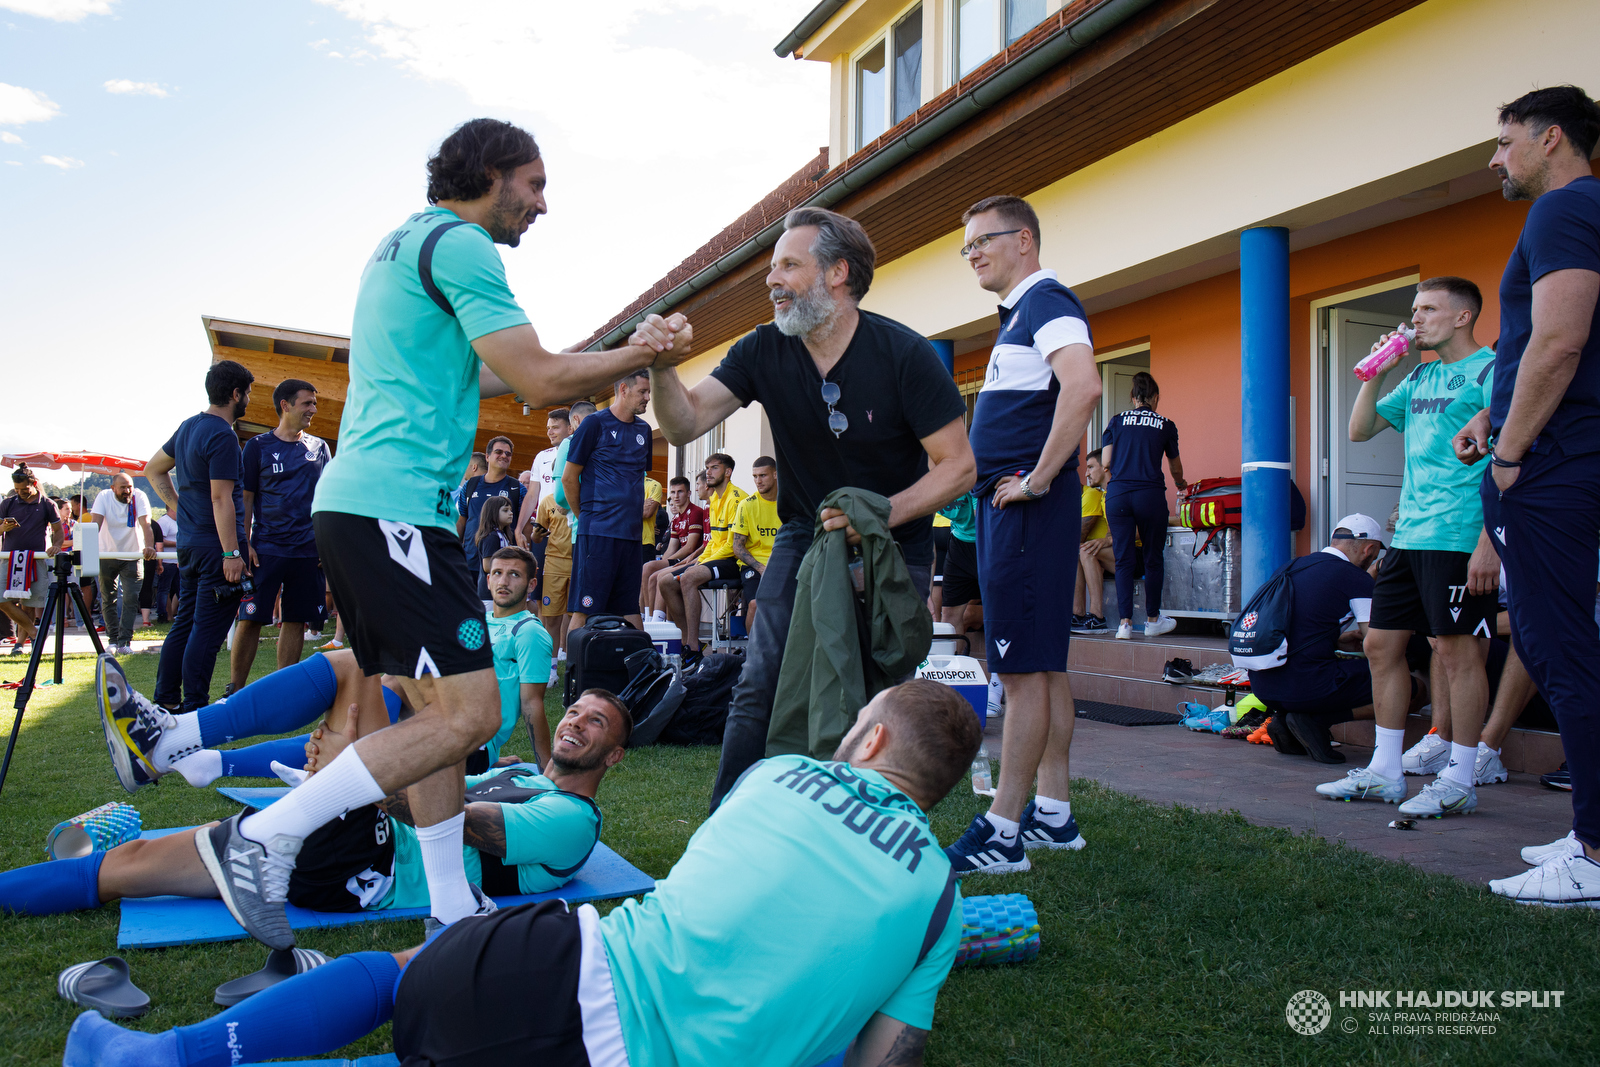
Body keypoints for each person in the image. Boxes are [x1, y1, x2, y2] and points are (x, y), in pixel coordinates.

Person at [178, 118, 693, 947]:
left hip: (365, 505)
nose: (542, 204)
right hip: (393, 508)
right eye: (534, 183)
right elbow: (536, 378)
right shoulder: (461, 245)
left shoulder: (404, 241)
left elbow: (496, 368)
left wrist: (609, 355)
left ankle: (448, 900)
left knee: (432, 711)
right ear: (490, 173)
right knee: (472, 713)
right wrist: (637, 353)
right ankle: (265, 835)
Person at [66, 679, 979, 1067]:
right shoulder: (941, 897)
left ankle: (161, 1057)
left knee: (403, 977)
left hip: (576, 981)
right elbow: (882, 1054)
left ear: (874, 737)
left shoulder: (780, 773)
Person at [652, 207, 975, 809]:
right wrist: (663, 367)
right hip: (802, 534)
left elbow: (959, 468)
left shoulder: (906, 355)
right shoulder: (762, 349)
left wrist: (877, 514)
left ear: (837, 274)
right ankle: (729, 826)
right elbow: (686, 421)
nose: (771, 280)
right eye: (772, 267)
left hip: (895, 540)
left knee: (879, 692)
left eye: (789, 266)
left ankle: (863, 824)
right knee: (760, 680)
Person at [18, 691, 621, 929]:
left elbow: (447, 819)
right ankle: (196, 746)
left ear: (613, 756)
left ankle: (195, 744)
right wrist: (351, 773)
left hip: (375, 870)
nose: (574, 722)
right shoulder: (517, 771)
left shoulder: (573, 821)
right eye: (576, 712)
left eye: (596, 723)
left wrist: (351, 777)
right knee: (134, 860)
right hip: (349, 832)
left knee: (391, 691)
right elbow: (441, 782)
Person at [1451, 86, 1600, 906]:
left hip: (1552, 464)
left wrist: (1509, 453)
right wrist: (1492, 410)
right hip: (1563, 447)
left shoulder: (1561, 211)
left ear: (1551, 140)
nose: (1495, 158)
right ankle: (1591, 827)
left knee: (1559, 649)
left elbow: (1562, 338)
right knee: (1562, 647)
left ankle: (1595, 854)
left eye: (1504, 142)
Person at [942, 195, 1102, 874]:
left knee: (1023, 670)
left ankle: (1004, 830)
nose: (973, 253)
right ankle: (1054, 817)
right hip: (1017, 510)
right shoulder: (1021, 315)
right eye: (967, 245)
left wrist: (1036, 479)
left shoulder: (1046, 300)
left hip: (1026, 509)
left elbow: (1085, 386)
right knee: (1044, 665)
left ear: (1025, 241)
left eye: (984, 240)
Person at [1317, 278, 1499, 813]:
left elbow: (1516, 455)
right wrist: (1374, 375)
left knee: (1457, 651)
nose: (1414, 319)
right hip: (1409, 535)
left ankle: (1460, 779)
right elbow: (1359, 429)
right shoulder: (1420, 374)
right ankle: (1385, 771)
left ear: (1462, 317)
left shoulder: (1490, 372)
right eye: (1413, 310)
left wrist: (1491, 541)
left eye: (1427, 310)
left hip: (1461, 535)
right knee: (1379, 645)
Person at [144, 359, 254, 714]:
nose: (249, 399)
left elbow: (153, 469)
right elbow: (222, 498)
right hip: (214, 549)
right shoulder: (223, 435)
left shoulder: (189, 426)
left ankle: (165, 700)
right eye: (248, 393)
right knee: (206, 632)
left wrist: (179, 508)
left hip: (192, 545)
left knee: (185, 625)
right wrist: (231, 554)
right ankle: (193, 708)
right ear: (236, 394)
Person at [1247, 516, 1389, 758]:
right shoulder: (1356, 577)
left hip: (1262, 685)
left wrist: (1336, 640)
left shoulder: (1290, 567)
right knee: (1408, 685)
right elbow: (1377, 644)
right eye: (1373, 557)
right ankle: (1315, 720)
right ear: (1369, 550)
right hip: (1306, 686)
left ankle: (1286, 720)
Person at [229, 378, 330, 692]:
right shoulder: (257, 447)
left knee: (295, 619)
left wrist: (326, 546)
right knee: (251, 618)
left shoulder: (320, 447)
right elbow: (244, 499)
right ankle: (235, 687)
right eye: (307, 403)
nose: (313, 409)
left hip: (308, 551)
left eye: (314, 403)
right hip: (267, 548)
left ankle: (284, 690)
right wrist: (243, 543)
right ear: (285, 405)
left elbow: (327, 500)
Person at [564, 370, 655, 631]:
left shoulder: (644, 430)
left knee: (629, 609)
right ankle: (573, 672)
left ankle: (641, 670)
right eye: (643, 392)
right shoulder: (594, 424)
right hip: (598, 534)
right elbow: (569, 479)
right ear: (623, 389)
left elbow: (638, 479)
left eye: (649, 392)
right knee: (584, 610)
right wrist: (586, 518)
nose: (647, 398)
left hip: (631, 536)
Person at [1101, 371, 1186, 640]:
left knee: (1123, 558)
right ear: (1155, 397)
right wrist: (1181, 483)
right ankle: (1152, 620)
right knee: (1152, 558)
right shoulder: (1165, 424)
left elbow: (1105, 461)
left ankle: (1124, 624)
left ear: (1132, 397)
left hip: (1118, 495)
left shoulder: (1116, 421)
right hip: (1149, 495)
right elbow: (1174, 466)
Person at [655, 453, 746, 667]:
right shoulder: (714, 499)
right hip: (715, 558)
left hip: (733, 561)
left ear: (728, 472)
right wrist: (695, 561)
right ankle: (688, 643)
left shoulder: (737, 499)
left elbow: (731, 546)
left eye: (714, 468)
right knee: (665, 581)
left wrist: (701, 564)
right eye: (707, 468)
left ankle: (694, 649)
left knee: (688, 578)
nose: (709, 472)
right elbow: (713, 541)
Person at [89, 474, 157, 657]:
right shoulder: (103, 496)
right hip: (106, 554)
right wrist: (87, 548)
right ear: (113, 488)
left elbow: (146, 523)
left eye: (129, 486)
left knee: (130, 599)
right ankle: (112, 639)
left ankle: (124, 641)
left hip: (133, 554)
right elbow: (95, 522)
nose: (127, 491)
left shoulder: (139, 496)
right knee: (107, 597)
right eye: (122, 487)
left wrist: (149, 546)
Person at [0, 464, 64, 652]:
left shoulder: (47, 504)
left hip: (35, 559)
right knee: (2, 600)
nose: (20, 493)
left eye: (24, 489)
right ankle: (34, 633)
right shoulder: (8, 503)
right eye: (17, 489)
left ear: (34, 483)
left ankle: (20, 644)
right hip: (8, 559)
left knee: (28, 604)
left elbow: (58, 531)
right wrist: (3, 528)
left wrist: (57, 545)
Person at [641, 475, 704, 618]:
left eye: (680, 492)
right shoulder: (676, 517)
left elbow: (690, 547)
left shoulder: (695, 512)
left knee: (658, 576)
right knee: (648, 568)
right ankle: (648, 617)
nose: (676, 496)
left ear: (689, 493)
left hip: (693, 560)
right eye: (673, 492)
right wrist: (663, 561)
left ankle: (657, 620)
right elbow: (672, 547)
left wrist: (667, 563)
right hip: (680, 558)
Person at [730, 456, 780, 628]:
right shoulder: (746, 505)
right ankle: (752, 653)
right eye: (755, 476)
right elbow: (737, 547)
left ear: (775, 474)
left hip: (783, 564)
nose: (758, 481)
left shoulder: (789, 503)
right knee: (755, 604)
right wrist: (761, 568)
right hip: (755, 566)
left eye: (763, 476)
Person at [1071, 448, 1114, 634]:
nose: (1086, 473)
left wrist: (1106, 541)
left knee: (1081, 550)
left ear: (1105, 467)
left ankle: (1096, 617)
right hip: (1109, 552)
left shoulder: (1098, 494)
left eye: (1090, 467)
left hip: (1133, 554)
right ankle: (1077, 615)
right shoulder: (1104, 494)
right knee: (1079, 550)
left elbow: (1135, 532)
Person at [531, 491, 573, 679]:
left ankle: (575, 665)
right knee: (552, 618)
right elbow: (537, 538)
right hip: (554, 563)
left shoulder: (582, 496)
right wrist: (536, 535)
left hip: (580, 561)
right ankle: (551, 669)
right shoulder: (547, 501)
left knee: (577, 617)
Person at [457, 436, 522, 549]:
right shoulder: (470, 485)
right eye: (498, 452)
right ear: (487, 456)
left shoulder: (517, 488)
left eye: (508, 454)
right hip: (471, 558)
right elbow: (462, 520)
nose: (504, 456)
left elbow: (524, 526)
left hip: (503, 561)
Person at [933, 491, 978, 640]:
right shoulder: (923, 479)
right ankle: (951, 661)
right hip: (959, 542)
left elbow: (984, 519)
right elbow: (925, 539)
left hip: (987, 542)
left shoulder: (966, 472)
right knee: (949, 616)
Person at [468, 495, 516, 600]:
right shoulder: (491, 537)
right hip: (489, 592)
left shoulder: (502, 535)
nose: (510, 513)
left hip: (500, 588)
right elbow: (487, 566)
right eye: (505, 510)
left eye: (510, 510)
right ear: (493, 513)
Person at [152, 509, 178, 622]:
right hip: (167, 561)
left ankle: (176, 615)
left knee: (181, 589)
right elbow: (159, 541)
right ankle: (163, 615)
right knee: (164, 589)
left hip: (177, 561)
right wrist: (178, 543)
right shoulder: (164, 521)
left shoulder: (177, 521)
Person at [641, 472, 665, 566]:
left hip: (644, 543)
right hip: (621, 540)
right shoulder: (620, 485)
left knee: (643, 579)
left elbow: (647, 513)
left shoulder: (653, 485)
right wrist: (640, 505)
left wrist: (623, 508)